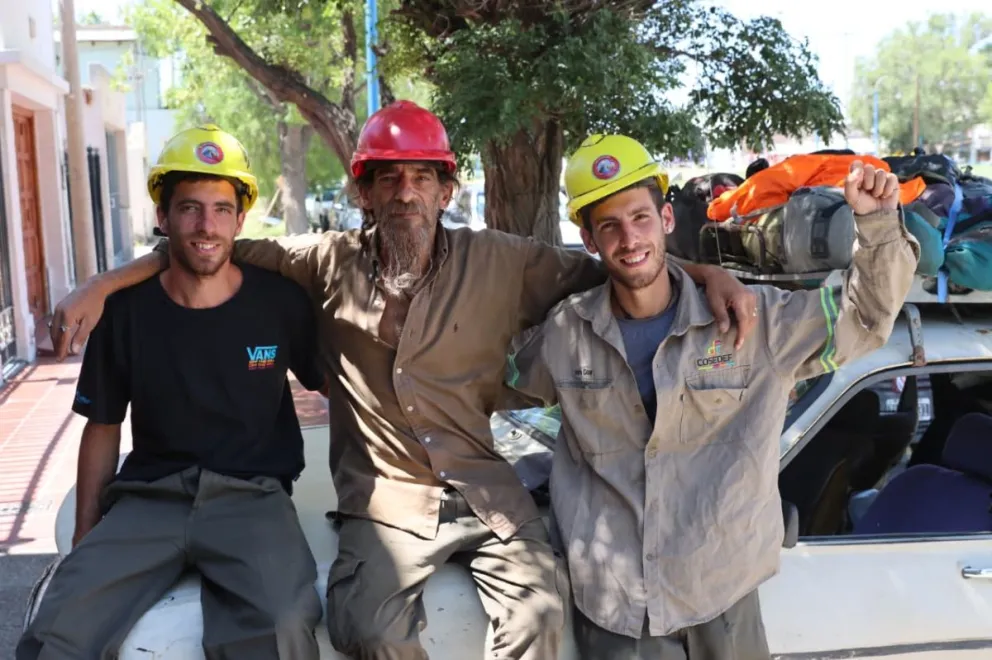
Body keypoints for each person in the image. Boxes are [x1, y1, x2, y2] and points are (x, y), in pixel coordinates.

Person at [46, 101, 758, 660]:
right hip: (385, 503)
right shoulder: (322, 263)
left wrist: (706, 270)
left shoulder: (505, 262)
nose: (405, 193)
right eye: (388, 177)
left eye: (422, 177)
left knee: (542, 616)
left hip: (487, 492)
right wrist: (102, 287)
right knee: (363, 626)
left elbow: (621, 260)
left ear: (448, 188)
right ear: (363, 191)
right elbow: (204, 243)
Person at [505, 134, 921, 659]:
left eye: (640, 218)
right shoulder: (565, 334)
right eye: (608, 225)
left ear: (667, 220)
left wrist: (878, 223)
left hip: (721, 600)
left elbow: (866, 318)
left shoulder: (756, 321)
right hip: (615, 612)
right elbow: (494, 385)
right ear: (588, 239)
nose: (629, 238)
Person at [17, 125, 326, 660]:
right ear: (163, 217)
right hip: (150, 498)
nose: (207, 226)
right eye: (189, 208)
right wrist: (85, 541)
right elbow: (104, 424)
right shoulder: (126, 312)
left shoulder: (280, 303)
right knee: (57, 628)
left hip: (252, 499)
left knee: (282, 625)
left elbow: (342, 389)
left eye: (222, 209)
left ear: (240, 219)